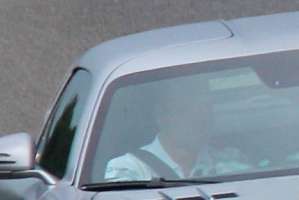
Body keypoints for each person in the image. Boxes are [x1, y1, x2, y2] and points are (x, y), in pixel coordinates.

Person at [103, 76, 251, 181]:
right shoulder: (128, 168)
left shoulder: (229, 160)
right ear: (161, 115)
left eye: (206, 109)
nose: (201, 119)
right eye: (187, 110)